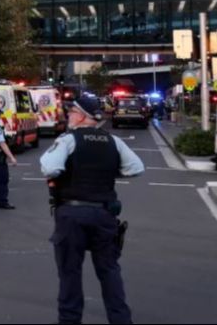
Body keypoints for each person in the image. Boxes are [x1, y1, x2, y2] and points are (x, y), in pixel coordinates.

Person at [40, 96, 145, 325]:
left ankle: (70, 320)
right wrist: (109, 172)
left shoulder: (68, 140)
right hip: (104, 214)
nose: (68, 116)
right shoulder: (113, 141)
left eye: (71, 112)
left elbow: (50, 167)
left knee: (70, 273)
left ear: (80, 115)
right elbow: (136, 168)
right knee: (109, 271)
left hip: (72, 214)